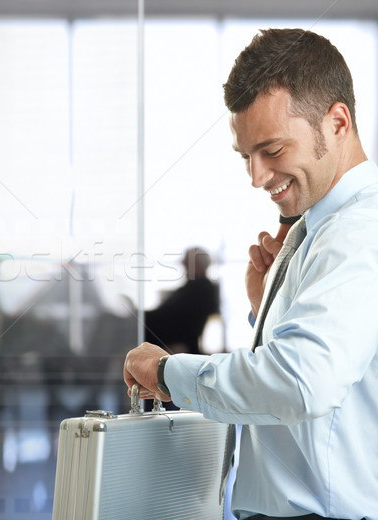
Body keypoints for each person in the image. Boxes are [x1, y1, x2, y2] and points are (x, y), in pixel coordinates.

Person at [124, 28, 378, 519]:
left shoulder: (357, 232)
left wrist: (165, 372)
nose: (257, 176)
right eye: (246, 156)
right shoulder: (321, 230)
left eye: (273, 150)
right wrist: (269, 310)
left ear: (338, 123)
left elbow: (300, 384)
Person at [145, 247, 220, 355]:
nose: (183, 263)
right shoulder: (191, 286)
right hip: (167, 329)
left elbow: (175, 316)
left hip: (176, 334)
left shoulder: (201, 288)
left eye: (186, 260)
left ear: (196, 264)